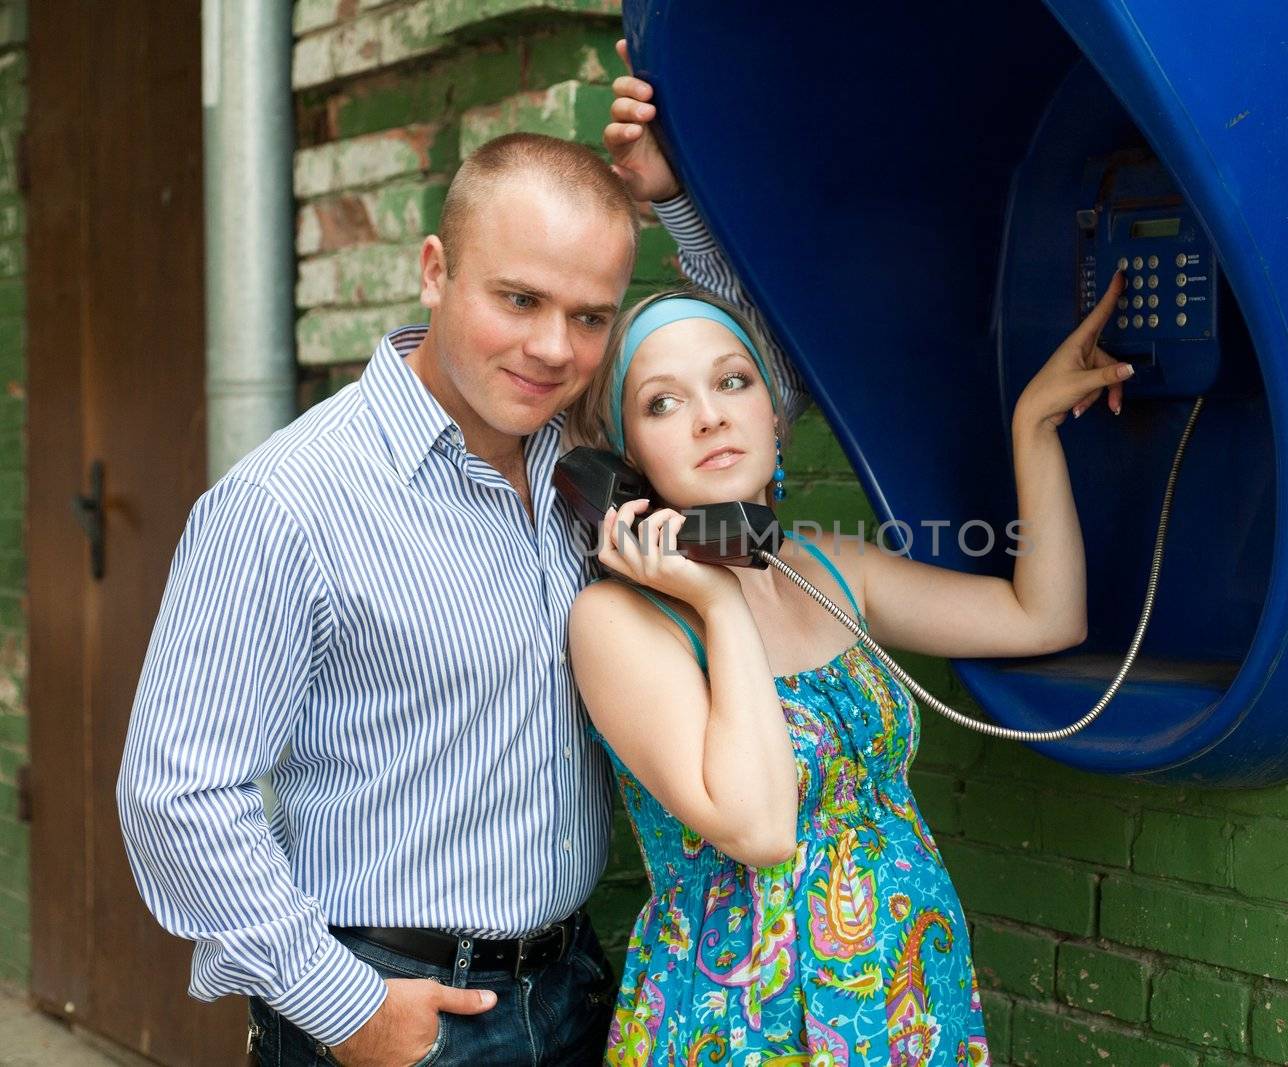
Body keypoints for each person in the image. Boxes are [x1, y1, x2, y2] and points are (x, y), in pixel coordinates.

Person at [116, 50, 803, 1067]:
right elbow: (176, 792)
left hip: (577, 986)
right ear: (435, 270)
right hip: (396, 1004)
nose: (553, 348)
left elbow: (763, 391)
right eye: (517, 300)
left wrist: (677, 201)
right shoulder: (288, 502)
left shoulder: (580, 458)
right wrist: (342, 1004)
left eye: (587, 316)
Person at [564, 267, 1131, 1061]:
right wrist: (721, 604)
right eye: (663, 401)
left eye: (733, 381)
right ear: (625, 461)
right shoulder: (621, 623)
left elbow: (1044, 616)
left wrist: (1032, 425)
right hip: (750, 1025)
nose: (709, 417)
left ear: (774, 414)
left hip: (904, 999)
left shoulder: (831, 569)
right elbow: (760, 829)